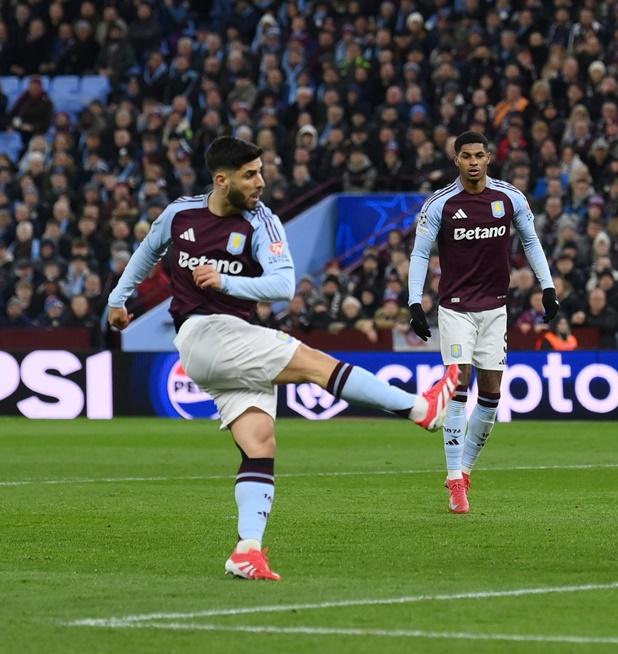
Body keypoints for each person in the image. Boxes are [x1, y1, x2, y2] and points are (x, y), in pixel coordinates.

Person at [106, 137, 459, 581]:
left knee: (260, 444)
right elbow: (146, 252)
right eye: (250, 175)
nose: (261, 182)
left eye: (261, 172)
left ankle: (246, 549)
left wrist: (224, 283)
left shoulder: (262, 223)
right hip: (205, 332)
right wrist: (118, 300)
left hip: (232, 339)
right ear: (222, 180)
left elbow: (282, 286)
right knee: (313, 363)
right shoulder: (181, 214)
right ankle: (421, 409)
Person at [407, 131, 558, 515]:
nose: (473, 162)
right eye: (466, 156)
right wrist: (414, 302)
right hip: (456, 307)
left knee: (491, 396)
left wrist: (548, 286)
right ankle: (455, 478)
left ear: (489, 158)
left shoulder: (509, 198)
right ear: (456, 160)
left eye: (479, 155)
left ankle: (466, 470)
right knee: (459, 387)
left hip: (495, 310)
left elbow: (531, 242)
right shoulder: (440, 204)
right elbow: (421, 252)